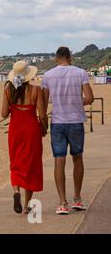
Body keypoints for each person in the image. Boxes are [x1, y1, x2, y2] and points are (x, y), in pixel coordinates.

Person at [41, 47, 94, 215]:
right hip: (76, 121)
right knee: (77, 158)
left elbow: (42, 103)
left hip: (57, 122)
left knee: (59, 161)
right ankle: (77, 199)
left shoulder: (48, 76)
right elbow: (90, 98)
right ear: (70, 57)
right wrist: (77, 103)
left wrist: (43, 123)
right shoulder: (80, 73)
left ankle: (62, 202)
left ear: (57, 58)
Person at [1, 61, 47, 214]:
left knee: (16, 163)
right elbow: (42, 114)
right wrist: (44, 128)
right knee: (31, 165)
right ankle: (27, 205)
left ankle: (16, 192)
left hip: (15, 130)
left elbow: (3, 113)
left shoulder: (8, 88)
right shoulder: (35, 89)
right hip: (31, 130)